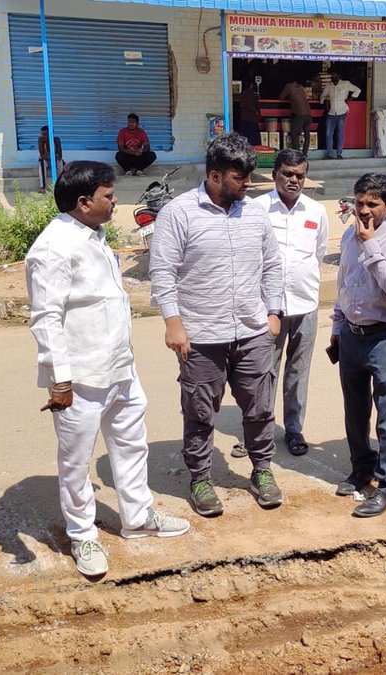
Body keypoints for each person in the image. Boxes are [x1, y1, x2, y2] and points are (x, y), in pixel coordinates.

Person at [25, 161, 189, 578]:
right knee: (76, 461)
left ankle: (138, 518)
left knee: (132, 445)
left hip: (119, 368)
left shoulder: (94, 236)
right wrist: (59, 378)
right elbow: (46, 318)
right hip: (80, 378)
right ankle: (82, 533)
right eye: (108, 196)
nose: (116, 202)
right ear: (83, 203)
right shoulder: (52, 249)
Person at [149, 134, 285, 518]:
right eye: (239, 178)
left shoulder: (256, 213)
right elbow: (163, 271)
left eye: (249, 177)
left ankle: (262, 470)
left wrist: (273, 314)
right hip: (200, 336)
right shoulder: (178, 213)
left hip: (253, 331)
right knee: (200, 411)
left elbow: (272, 265)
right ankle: (201, 478)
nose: (247, 185)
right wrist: (173, 323)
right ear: (214, 175)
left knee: (259, 409)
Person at [331, 173, 386, 518]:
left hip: (385, 337)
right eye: (359, 202)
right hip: (352, 335)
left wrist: (370, 244)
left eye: (372, 203)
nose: (364, 210)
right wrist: (337, 328)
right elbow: (344, 284)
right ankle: (361, 468)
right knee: (354, 411)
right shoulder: (349, 235)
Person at [252, 149, 329, 456]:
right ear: (275, 175)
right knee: (263, 370)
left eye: (299, 175)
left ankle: (294, 429)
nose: (293, 180)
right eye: (287, 173)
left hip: (305, 304)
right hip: (267, 308)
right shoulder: (256, 209)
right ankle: (257, 432)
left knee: (298, 371)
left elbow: (319, 252)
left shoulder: (316, 211)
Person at [320, 72, 361, 160]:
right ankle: (330, 154)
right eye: (332, 76)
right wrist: (325, 100)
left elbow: (358, 90)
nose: (332, 77)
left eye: (334, 76)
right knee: (328, 134)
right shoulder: (329, 86)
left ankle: (339, 153)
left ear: (339, 76)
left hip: (342, 111)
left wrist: (349, 99)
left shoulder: (345, 84)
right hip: (331, 112)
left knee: (340, 133)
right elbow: (322, 96)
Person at [279, 79, 312, 155]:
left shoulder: (288, 86)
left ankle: (297, 153)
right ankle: (305, 153)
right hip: (308, 115)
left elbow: (281, 97)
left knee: (294, 133)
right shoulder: (300, 87)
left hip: (300, 115)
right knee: (307, 134)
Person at [38, 126, 65, 192]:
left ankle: (61, 185)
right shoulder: (41, 140)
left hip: (54, 161)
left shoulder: (56, 140)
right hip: (46, 161)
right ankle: (42, 187)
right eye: (42, 134)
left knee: (60, 161)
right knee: (42, 162)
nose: (43, 136)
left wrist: (53, 157)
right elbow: (42, 155)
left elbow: (60, 155)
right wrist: (52, 157)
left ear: (50, 134)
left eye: (45, 134)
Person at [237, 77, 262, 147]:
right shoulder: (249, 93)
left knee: (245, 140)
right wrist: (256, 112)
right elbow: (250, 105)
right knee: (254, 141)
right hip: (251, 120)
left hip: (244, 119)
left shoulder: (244, 93)